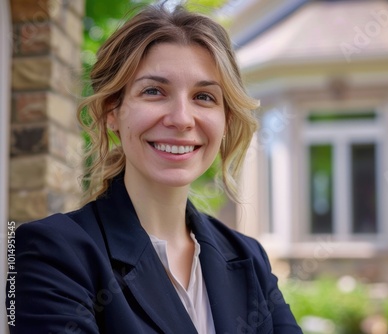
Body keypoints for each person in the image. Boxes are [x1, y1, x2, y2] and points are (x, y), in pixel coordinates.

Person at [6, 2, 302, 333]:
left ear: (226, 119)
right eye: (153, 91)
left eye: (204, 97)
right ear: (111, 111)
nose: (181, 119)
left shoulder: (251, 259)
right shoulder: (51, 252)